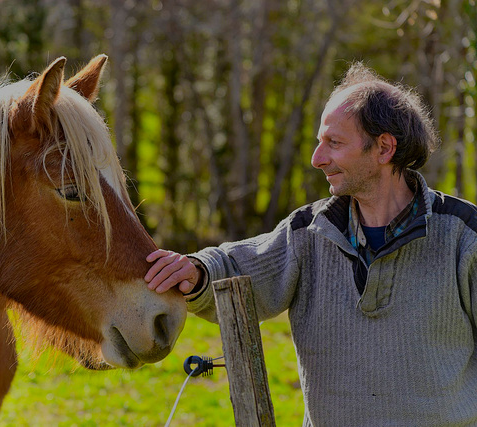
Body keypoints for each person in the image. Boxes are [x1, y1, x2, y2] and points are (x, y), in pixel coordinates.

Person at [144, 62, 477, 425]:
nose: (317, 159)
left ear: (384, 148)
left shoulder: (463, 235)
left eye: (334, 143)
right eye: (320, 142)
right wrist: (197, 271)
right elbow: (239, 268)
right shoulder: (308, 232)